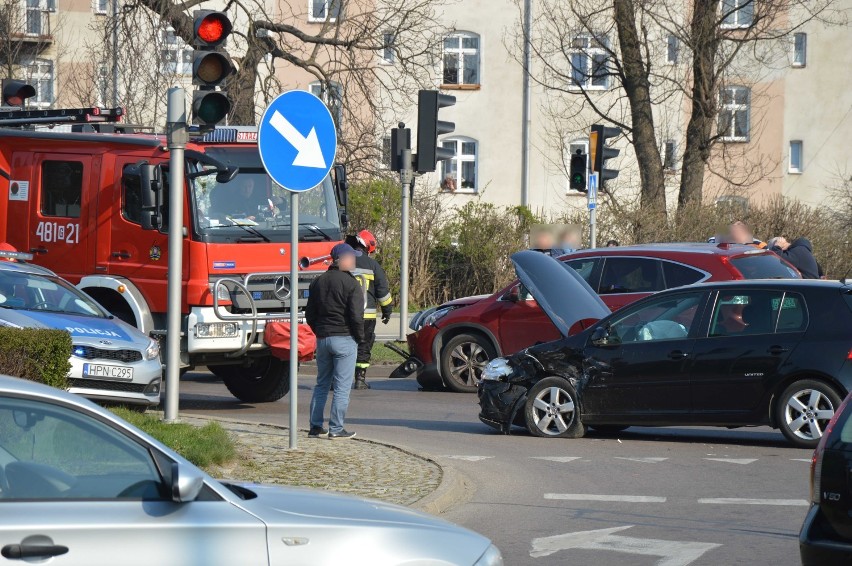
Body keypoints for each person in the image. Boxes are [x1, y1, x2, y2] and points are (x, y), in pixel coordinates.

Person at [305, 243, 365, 439]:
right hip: (345, 338)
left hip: (323, 339)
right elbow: (356, 316)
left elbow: (309, 314)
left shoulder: (318, 281)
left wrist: (320, 332)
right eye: (352, 257)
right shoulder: (351, 284)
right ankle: (336, 429)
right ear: (343, 259)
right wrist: (360, 338)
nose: (355, 260)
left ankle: (315, 427)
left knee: (322, 384)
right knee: (342, 387)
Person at [347, 230, 393, 390]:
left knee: (344, 345)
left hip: (346, 316)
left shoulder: (344, 260)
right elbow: (383, 291)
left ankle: (337, 379)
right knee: (364, 345)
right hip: (367, 316)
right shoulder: (373, 265)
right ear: (368, 248)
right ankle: (360, 379)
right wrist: (387, 311)